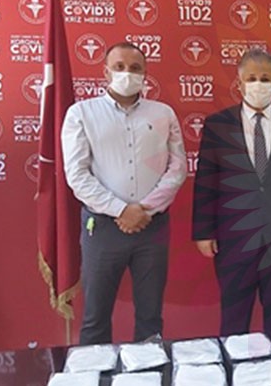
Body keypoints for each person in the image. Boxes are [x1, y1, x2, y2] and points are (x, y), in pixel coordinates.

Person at [61, 42, 187, 345]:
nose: (127, 73)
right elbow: (77, 175)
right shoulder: (82, 113)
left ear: (145, 73)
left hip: (152, 227)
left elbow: (178, 167)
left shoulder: (163, 113)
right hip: (103, 229)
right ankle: (96, 369)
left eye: (135, 68)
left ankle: (150, 369)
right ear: (105, 72)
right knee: (95, 318)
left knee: (150, 318)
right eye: (119, 67)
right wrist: (121, 210)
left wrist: (144, 210)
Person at [192, 49, 271, 335]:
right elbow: (206, 181)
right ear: (239, 83)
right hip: (234, 239)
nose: (258, 84)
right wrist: (203, 232)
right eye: (251, 78)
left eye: (265, 78)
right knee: (234, 320)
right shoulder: (218, 125)